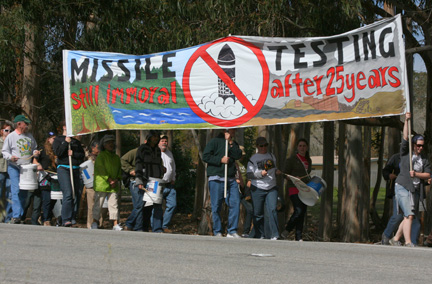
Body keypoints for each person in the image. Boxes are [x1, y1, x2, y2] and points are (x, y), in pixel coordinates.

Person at [389, 112, 430, 247]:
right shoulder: (406, 153)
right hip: (402, 186)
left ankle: (395, 239)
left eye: (422, 146)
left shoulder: (424, 159)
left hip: (415, 190)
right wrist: (406, 120)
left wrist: (417, 174)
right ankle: (408, 242)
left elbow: (428, 174)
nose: (420, 148)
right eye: (418, 145)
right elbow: (405, 136)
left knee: (409, 215)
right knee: (409, 215)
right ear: (413, 145)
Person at [203, 129, 242, 238]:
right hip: (216, 178)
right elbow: (205, 156)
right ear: (226, 130)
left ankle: (232, 230)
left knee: (235, 203)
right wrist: (220, 160)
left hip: (230, 179)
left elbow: (237, 155)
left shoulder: (233, 144)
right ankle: (217, 231)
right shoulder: (214, 142)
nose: (234, 132)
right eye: (232, 130)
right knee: (216, 206)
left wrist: (230, 143)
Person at [1, 115, 39, 224]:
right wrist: (11, 157)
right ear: (19, 124)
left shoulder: (29, 136)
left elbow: (34, 148)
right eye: (25, 124)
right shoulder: (11, 136)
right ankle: (16, 215)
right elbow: (5, 151)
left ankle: (20, 215)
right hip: (14, 167)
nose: (27, 126)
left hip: (26, 168)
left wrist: (35, 153)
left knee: (24, 192)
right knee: (15, 190)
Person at [380, 153, 421, 245]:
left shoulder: (418, 158)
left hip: (413, 190)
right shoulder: (396, 158)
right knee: (398, 216)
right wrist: (389, 175)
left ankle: (412, 242)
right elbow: (385, 171)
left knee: (412, 216)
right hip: (399, 189)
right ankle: (386, 235)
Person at [247, 137, 282, 240]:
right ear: (257, 147)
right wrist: (259, 174)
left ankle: (275, 234)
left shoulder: (271, 156)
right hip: (258, 188)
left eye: (265, 145)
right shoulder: (253, 158)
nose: (263, 148)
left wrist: (276, 171)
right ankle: (260, 234)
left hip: (271, 187)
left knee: (272, 209)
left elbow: (274, 168)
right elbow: (249, 174)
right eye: (261, 146)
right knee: (258, 213)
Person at [53, 121, 85, 227]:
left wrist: (73, 153)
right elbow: (58, 153)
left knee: (75, 195)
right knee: (68, 194)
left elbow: (81, 155)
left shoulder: (75, 142)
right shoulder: (58, 140)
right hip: (64, 169)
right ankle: (66, 219)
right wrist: (66, 143)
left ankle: (70, 216)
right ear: (64, 127)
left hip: (75, 169)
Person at [135, 130, 165, 233]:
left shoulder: (157, 150)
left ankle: (157, 228)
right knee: (144, 205)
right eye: (154, 136)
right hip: (145, 180)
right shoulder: (142, 149)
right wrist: (139, 180)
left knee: (156, 205)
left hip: (156, 181)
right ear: (149, 137)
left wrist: (162, 171)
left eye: (157, 137)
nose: (155, 138)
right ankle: (142, 227)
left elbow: (159, 163)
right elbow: (138, 164)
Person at [282, 138, 312, 241]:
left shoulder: (309, 160)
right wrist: (294, 178)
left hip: (304, 189)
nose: (302, 148)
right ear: (297, 147)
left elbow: (307, 175)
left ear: (307, 147)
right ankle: (287, 229)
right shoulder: (291, 160)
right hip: (294, 188)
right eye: (300, 146)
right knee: (298, 210)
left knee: (302, 212)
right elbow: (284, 174)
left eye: (304, 146)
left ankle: (298, 236)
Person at [91, 135, 123, 231]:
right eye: (108, 142)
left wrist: (116, 180)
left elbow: (119, 170)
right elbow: (101, 170)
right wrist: (109, 180)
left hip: (113, 185)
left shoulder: (116, 157)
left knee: (114, 204)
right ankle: (94, 222)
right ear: (103, 145)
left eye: (112, 142)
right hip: (102, 184)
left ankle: (115, 223)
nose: (111, 144)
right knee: (98, 204)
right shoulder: (101, 156)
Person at [152, 135, 177, 233]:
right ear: (158, 143)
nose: (164, 143)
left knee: (172, 205)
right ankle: (154, 225)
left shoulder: (169, 153)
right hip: (158, 184)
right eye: (162, 141)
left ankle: (164, 225)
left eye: (166, 141)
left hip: (169, 184)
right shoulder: (155, 153)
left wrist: (173, 177)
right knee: (156, 207)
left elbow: (173, 166)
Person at [35, 132, 58, 226]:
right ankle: (46, 220)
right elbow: (35, 159)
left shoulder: (57, 149)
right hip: (44, 176)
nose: (54, 141)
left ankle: (45, 215)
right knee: (47, 199)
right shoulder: (42, 149)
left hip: (55, 177)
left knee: (54, 199)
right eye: (53, 139)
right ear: (48, 139)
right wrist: (38, 164)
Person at [84, 140, 105, 229]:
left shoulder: (103, 157)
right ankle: (90, 224)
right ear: (93, 148)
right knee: (91, 206)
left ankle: (99, 223)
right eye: (97, 147)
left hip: (101, 183)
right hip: (91, 184)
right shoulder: (88, 158)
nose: (99, 149)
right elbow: (84, 170)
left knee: (101, 205)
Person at [122, 147, 141, 231]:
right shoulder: (135, 151)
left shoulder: (153, 153)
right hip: (134, 181)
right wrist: (130, 170)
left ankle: (138, 227)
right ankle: (129, 223)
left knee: (142, 205)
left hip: (147, 181)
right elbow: (122, 160)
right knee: (139, 204)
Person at [236, 146, 253, 238]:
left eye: (243, 155)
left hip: (244, 191)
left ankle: (246, 232)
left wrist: (249, 180)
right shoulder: (233, 163)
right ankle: (232, 230)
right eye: (240, 155)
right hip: (235, 189)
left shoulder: (244, 164)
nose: (241, 157)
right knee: (234, 209)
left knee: (250, 209)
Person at [0, 121, 13, 222]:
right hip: (1, 170)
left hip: (11, 170)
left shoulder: (13, 141)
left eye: (10, 130)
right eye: (6, 130)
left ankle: (8, 218)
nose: (9, 132)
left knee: (10, 195)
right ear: (1, 131)